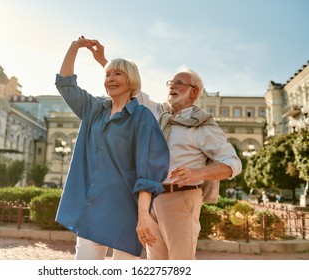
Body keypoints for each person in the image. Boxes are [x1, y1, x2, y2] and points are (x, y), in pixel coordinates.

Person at [91, 43, 242, 260]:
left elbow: (233, 163)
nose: (172, 86)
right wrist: (105, 62)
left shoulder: (203, 125)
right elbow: (134, 91)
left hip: (180, 198)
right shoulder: (158, 113)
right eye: (171, 82)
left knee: (180, 263)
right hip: (150, 199)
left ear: (195, 91)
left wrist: (199, 173)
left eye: (180, 83)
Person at [54, 37, 170, 260]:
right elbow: (65, 84)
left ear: (132, 80)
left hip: (126, 210)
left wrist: (143, 215)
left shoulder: (142, 117)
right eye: (107, 75)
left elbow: (148, 170)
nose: (110, 78)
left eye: (118, 73)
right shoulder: (94, 109)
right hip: (92, 206)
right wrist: (74, 46)